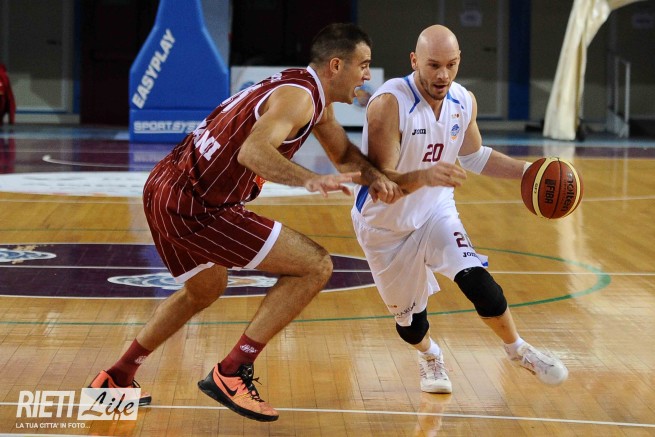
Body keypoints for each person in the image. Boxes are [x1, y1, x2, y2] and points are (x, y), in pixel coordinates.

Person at [88, 22, 402, 422]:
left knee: (204, 289)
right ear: (336, 65)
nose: (367, 75)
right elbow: (252, 153)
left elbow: (342, 155)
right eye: (364, 64)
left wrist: (378, 178)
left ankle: (115, 378)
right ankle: (232, 371)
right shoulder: (299, 99)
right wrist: (308, 179)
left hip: (163, 186)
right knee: (315, 266)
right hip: (196, 205)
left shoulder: (307, 92)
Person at [350, 24, 568, 394]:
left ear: (459, 61)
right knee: (411, 326)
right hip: (384, 226)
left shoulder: (463, 100)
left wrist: (528, 171)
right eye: (433, 65)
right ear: (414, 60)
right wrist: (427, 175)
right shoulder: (389, 104)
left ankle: (518, 350)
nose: (443, 75)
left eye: (451, 65)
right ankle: (429, 354)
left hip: (435, 209)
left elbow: (474, 156)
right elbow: (382, 183)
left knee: (478, 281)